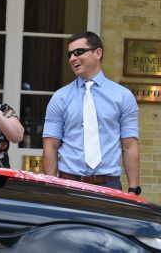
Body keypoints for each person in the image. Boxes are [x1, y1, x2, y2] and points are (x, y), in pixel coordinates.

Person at [42, 31, 141, 193]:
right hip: (68, 183)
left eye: (79, 52)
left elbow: (130, 146)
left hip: (109, 185)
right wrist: (51, 186)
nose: (73, 58)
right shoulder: (60, 98)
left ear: (98, 53)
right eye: (70, 54)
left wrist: (133, 188)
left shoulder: (123, 96)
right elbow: (50, 146)